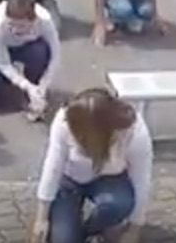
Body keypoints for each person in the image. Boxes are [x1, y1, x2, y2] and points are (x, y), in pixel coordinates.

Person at [32, 88, 155, 243]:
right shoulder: (65, 120)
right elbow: (53, 166)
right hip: (68, 180)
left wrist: (135, 228)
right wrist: (41, 218)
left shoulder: (133, 132)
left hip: (110, 180)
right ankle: (76, 230)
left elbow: (141, 180)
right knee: (64, 239)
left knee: (120, 204)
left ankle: (92, 229)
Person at [0, 0, 61, 118]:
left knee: (40, 51)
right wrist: (25, 85)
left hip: (30, 47)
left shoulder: (45, 20)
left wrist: (44, 84)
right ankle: (11, 83)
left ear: (33, 20)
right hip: (2, 48)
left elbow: (56, 55)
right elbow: (3, 63)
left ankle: (35, 86)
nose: (16, 30)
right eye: (11, 25)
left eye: (22, 26)